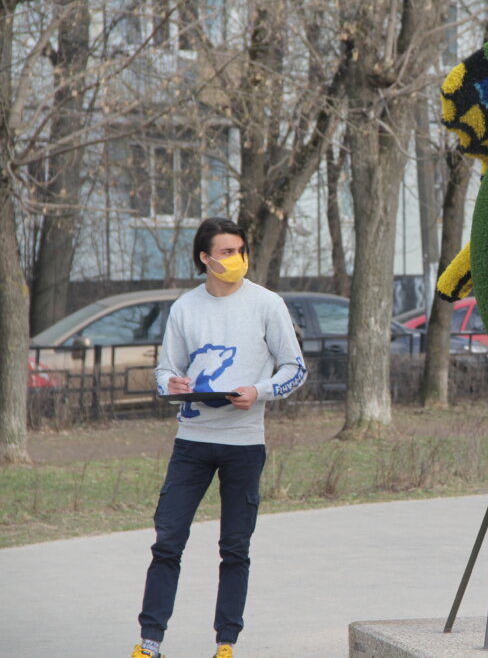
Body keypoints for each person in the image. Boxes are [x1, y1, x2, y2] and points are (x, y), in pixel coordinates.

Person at [132, 217, 307, 658]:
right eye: (226, 252)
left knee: (235, 549)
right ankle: (149, 643)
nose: (236, 259)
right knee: (167, 542)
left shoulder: (267, 304)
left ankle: (225, 643)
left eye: (241, 250)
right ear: (204, 259)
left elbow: (295, 369)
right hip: (191, 441)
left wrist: (260, 390)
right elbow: (164, 370)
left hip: (244, 445)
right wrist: (170, 383)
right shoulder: (185, 309)